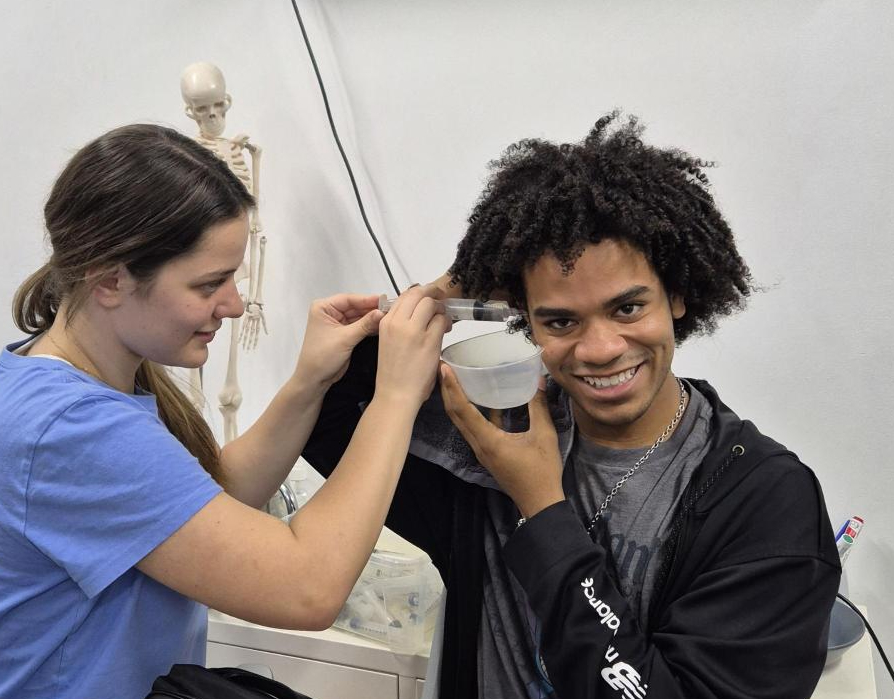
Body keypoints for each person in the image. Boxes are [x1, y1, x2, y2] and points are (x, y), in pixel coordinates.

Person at [303, 112, 840, 699]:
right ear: (525, 320)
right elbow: (332, 411)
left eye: (628, 308)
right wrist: (444, 291)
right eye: (560, 319)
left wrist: (541, 506)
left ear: (678, 296)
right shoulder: (490, 440)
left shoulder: (765, 501)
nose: (601, 348)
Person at [0, 124, 450, 699]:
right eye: (210, 283)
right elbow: (308, 586)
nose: (235, 305)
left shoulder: (83, 378)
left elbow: (207, 502)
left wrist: (310, 381)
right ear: (111, 278)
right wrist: (394, 399)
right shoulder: (72, 427)